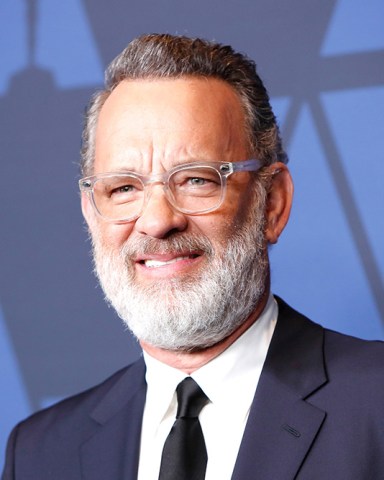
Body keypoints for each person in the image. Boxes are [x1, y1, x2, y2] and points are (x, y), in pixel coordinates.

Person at [2, 33, 384, 480]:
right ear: (91, 212)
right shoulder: (41, 454)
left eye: (197, 179)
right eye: (124, 188)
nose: (157, 221)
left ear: (273, 203)